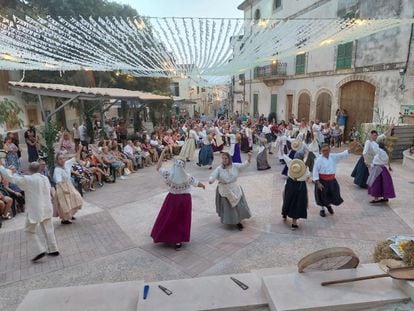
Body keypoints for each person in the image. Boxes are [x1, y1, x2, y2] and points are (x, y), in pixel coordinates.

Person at [0, 162, 59, 262]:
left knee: (29, 230)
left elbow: (11, 178)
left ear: (29, 169)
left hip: (35, 210)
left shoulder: (28, 179)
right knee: (48, 229)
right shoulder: (44, 178)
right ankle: (53, 249)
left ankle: (39, 250)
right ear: (39, 168)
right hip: (47, 207)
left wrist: (1, 167)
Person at [151, 150, 205, 250]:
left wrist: (162, 154)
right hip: (185, 200)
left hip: (172, 199)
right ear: (183, 166)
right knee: (181, 220)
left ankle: (168, 236)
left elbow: (158, 168)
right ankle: (178, 240)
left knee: (169, 218)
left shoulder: (168, 173)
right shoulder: (187, 176)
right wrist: (203, 186)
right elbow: (196, 183)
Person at [209, 152, 252, 231]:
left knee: (238, 206)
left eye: (226, 158)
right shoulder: (219, 168)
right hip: (224, 190)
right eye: (223, 158)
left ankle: (238, 221)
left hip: (234, 188)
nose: (224, 160)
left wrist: (249, 158)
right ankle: (230, 220)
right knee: (228, 207)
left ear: (229, 159)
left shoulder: (234, 166)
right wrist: (211, 180)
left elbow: (243, 166)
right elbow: (213, 175)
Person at [313, 143, 349, 217]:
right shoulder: (318, 160)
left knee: (332, 194)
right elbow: (315, 171)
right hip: (322, 180)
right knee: (322, 196)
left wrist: (349, 150)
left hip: (332, 180)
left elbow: (342, 154)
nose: (325, 152)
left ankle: (328, 206)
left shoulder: (333, 157)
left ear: (329, 150)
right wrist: (318, 183)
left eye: (327, 150)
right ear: (321, 151)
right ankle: (322, 209)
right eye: (323, 151)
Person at [53, 149, 83, 224]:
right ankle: (64, 219)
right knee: (65, 203)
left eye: (63, 158)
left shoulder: (67, 164)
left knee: (75, 198)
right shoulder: (57, 169)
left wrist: (80, 148)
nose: (62, 160)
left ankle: (70, 214)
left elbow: (75, 158)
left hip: (69, 185)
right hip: (62, 187)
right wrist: (64, 189)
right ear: (57, 161)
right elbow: (59, 181)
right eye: (60, 159)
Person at [282, 153, 310, 230]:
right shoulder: (305, 168)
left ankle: (286, 214)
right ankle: (293, 222)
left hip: (290, 185)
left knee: (288, 200)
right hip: (300, 186)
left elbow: (283, 156)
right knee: (297, 203)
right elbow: (308, 178)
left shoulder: (291, 162)